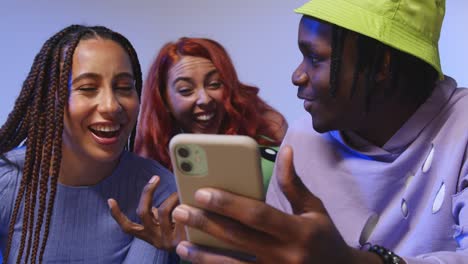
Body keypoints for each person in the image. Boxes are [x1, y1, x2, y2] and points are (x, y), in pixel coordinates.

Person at [163, 0, 466, 263]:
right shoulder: (303, 139)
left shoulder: (461, 129)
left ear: (382, 65)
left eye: (315, 57)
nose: (298, 75)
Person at [0, 25, 178, 263]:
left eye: (124, 88)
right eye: (88, 88)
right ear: (50, 99)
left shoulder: (159, 192)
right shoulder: (7, 181)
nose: (111, 106)